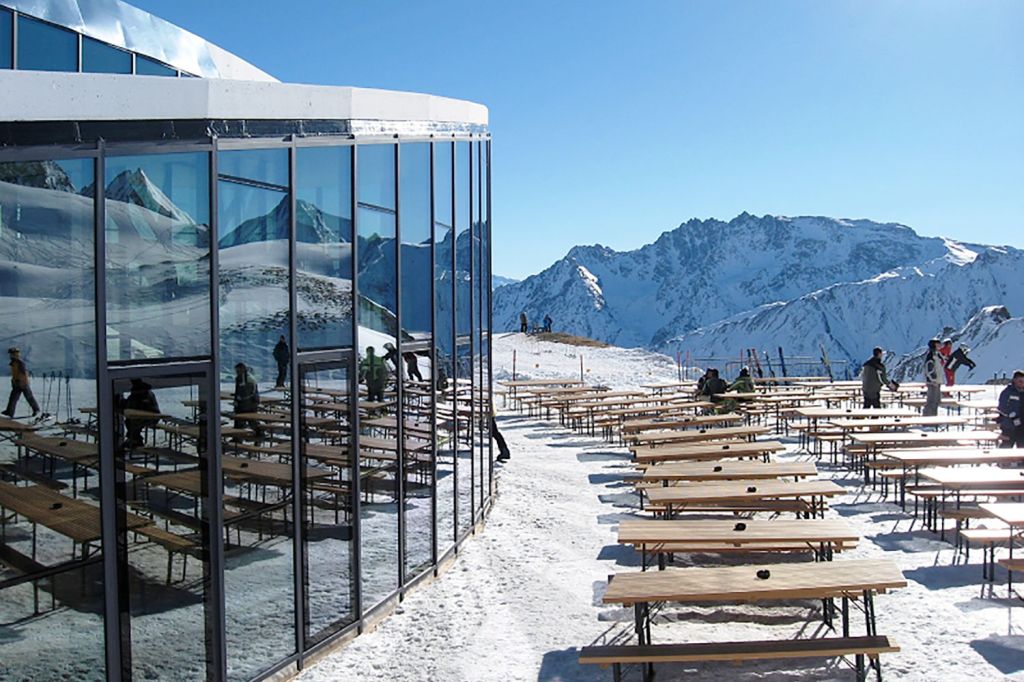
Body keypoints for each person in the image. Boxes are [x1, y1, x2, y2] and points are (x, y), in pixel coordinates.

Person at [3, 347, 39, 418]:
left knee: (29, 397)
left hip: (22, 384)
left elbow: (24, 374)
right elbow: (15, 374)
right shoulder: (14, 363)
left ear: (15, 354)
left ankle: (36, 409)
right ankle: (10, 412)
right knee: (13, 398)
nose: (10, 356)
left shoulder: (20, 363)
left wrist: (23, 383)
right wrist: (13, 381)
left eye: (11, 354)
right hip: (17, 383)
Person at [124, 378, 160, 447]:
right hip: (141, 416)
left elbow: (147, 407)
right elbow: (130, 404)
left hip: (152, 417)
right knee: (129, 421)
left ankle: (135, 440)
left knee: (134, 423)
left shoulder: (148, 394)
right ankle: (134, 439)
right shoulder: (134, 395)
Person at [997, 370, 1024, 449]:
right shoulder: (1008, 392)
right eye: (1020, 381)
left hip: (1022, 426)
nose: (1022, 383)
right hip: (1009, 425)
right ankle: (1002, 460)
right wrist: (1012, 416)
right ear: (1014, 380)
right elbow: (1002, 407)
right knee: (1006, 446)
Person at [233, 362, 260, 429]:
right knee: (251, 420)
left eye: (238, 370)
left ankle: (238, 435)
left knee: (240, 418)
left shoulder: (245, 379)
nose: (237, 372)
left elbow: (246, 393)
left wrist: (238, 399)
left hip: (247, 404)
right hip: (251, 403)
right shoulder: (247, 377)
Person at [923, 338, 943, 416]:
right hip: (933, 383)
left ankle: (933, 417)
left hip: (936, 382)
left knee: (936, 401)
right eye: (938, 344)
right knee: (932, 401)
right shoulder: (931, 356)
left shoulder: (936, 355)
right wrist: (933, 380)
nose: (940, 345)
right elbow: (929, 369)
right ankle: (928, 419)